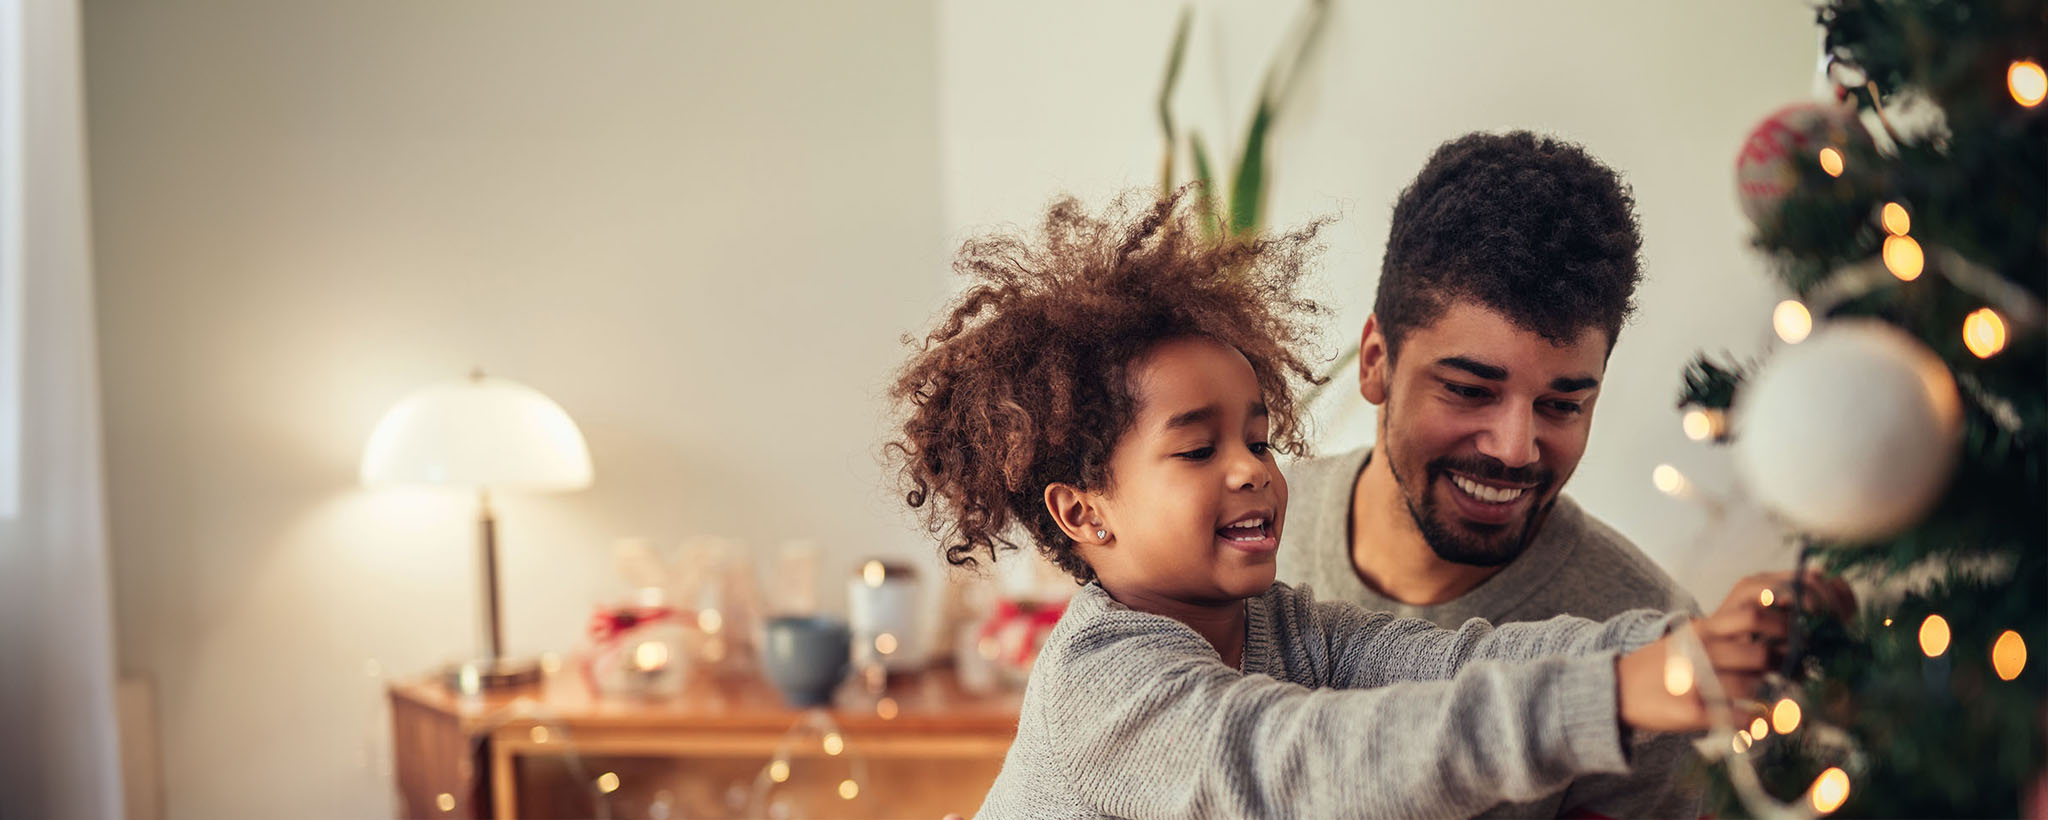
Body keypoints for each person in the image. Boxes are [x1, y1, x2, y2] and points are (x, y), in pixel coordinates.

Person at [889, 191, 1844, 820]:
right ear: (1084, 512)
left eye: (1259, 438)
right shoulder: (1105, 685)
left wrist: (1678, 650)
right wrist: (1621, 693)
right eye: (1197, 447)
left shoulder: (1280, 625)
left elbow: (1449, 659)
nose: (1254, 470)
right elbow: (1307, 760)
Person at [1274, 130, 1702, 817]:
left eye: (1562, 404)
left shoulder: (1652, 646)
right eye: (1470, 390)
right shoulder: (1243, 533)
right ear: (1377, 361)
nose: (1514, 449)